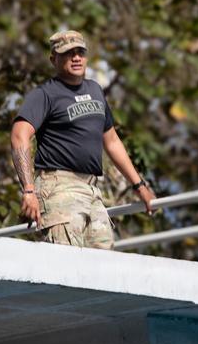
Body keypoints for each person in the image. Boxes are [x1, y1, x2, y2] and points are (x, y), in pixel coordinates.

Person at [11, 30, 156, 248]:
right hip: (59, 187)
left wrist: (140, 186)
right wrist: (29, 189)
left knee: (103, 261)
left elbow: (112, 141)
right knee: (66, 263)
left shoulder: (95, 90)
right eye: (68, 53)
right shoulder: (45, 94)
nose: (76, 58)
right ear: (54, 59)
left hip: (91, 189)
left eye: (80, 52)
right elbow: (19, 135)